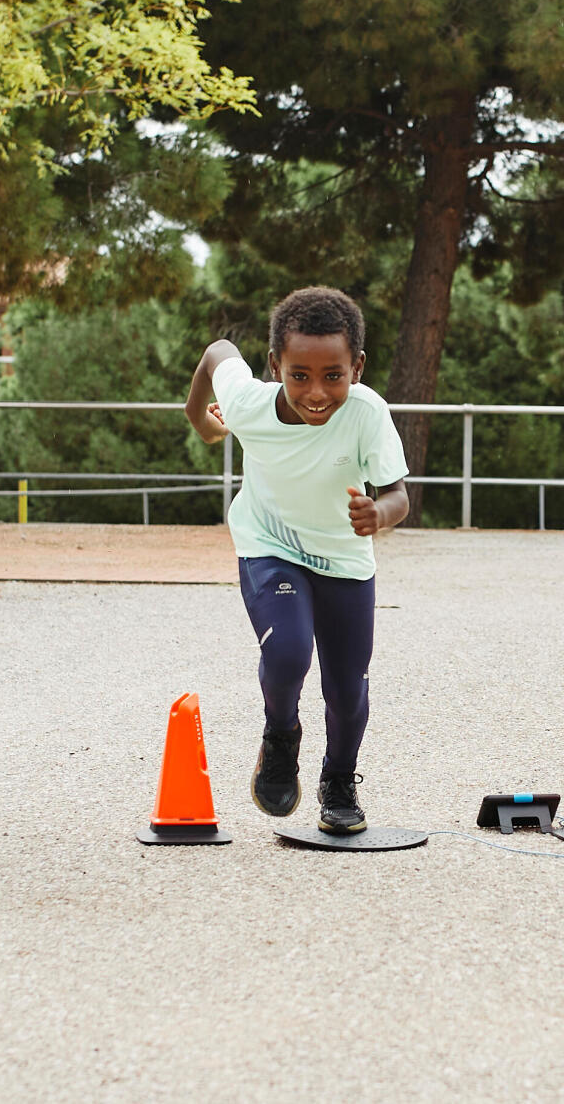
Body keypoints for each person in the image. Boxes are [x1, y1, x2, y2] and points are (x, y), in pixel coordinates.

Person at [184, 287, 409, 835]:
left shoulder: (367, 413)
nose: (316, 392)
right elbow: (216, 352)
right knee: (286, 654)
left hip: (344, 559)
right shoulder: (249, 403)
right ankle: (280, 737)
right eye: (298, 375)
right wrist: (204, 422)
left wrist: (379, 515)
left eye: (333, 375)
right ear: (274, 367)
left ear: (356, 367)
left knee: (347, 686)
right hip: (270, 545)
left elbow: (400, 495)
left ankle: (338, 780)